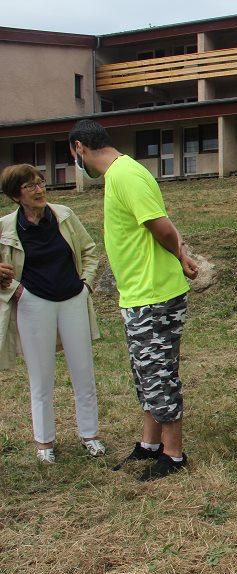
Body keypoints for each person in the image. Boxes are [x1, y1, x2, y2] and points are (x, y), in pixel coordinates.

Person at [68, 119, 199, 481]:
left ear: (79, 147)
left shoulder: (125, 174)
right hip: (139, 294)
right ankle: (150, 444)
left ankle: (174, 455)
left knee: (158, 374)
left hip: (154, 294)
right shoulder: (119, 175)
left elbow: (159, 223)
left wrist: (180, 254)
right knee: (145, 374)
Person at [0, 164, 103, 463]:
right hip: (33, 303)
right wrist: (16, 290)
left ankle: (90, 436)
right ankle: (45, 443)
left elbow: (89, 251)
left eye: (41, 182)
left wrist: (86, 286)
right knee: (41, 377)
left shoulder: (64, 215)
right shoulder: (6, 227)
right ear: (15, 195)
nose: (39, 189)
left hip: (72, 298)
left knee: (83, 371)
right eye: (30, 186)